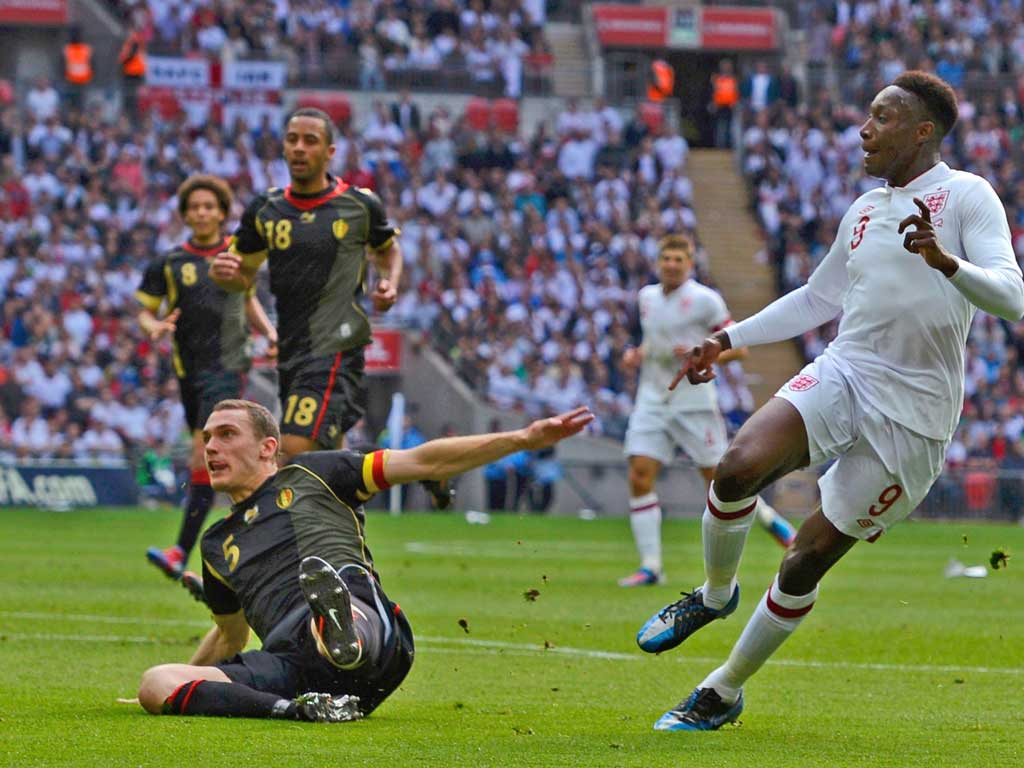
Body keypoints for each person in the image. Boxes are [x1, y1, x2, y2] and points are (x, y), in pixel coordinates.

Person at [635, 71, 1024, 730]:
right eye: (867, 116)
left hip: (916, 416)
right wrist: (727, 339)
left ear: (923, 131)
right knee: (736, 468)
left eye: (882, 118)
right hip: (848, 370)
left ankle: (722, 690)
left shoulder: (966, 195)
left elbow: (1013, 298)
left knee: (804, 560)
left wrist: (947, 263)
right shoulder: (866, 208)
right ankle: (715, 593)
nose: (864, 130)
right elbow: (818, 298)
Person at [136, 399, 592, 722]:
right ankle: (299, 710)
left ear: (267, 447)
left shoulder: (314, 473)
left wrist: (523, 438)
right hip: (289, 667)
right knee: (156, 683)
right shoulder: (216, 544)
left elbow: (424, 462)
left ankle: (342, 632)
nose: (211, 447)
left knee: (337, 597)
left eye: (226, 434)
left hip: (371, 629)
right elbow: (229, 636)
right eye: (207, 438)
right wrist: (186, 682)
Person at [211, 108, 452, 509]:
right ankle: (420, 467)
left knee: (289, 448)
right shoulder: (266, 209)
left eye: (310, 141)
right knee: (326, 465)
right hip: (293, 350)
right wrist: (224, 274)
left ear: (330, 152)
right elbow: (241, 279)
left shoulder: (359, 205)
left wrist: (390, 282)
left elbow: (388, 250)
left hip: (338, 343)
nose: (299, 148)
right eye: (292, 139)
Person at [618, 234, 796, 587]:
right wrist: (637, 354)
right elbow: (653, 341)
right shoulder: (647, 297)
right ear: (657, 262)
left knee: (720, 483)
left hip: (694, 403)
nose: (671, 265)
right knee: (639, 475)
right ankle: (651, 566)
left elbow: (739, 349)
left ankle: (772, 521)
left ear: (689, 264)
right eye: (666, 258)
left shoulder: (705, 300)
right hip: (651, 399)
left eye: (678, 260)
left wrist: (701, 355)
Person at [136, 175, 277, 588]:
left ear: (221, 213)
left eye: (209, 206)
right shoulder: (170, 262)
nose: (201, 213)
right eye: (194, 207)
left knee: (205, 454)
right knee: (211, 461)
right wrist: (154, 326)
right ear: (185, 214)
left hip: (227, 365)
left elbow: (247, 300)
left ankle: (184, 550)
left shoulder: (236, 254)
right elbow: (145, 311)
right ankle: (249, 534)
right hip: (189, 372)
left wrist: (270, 334)